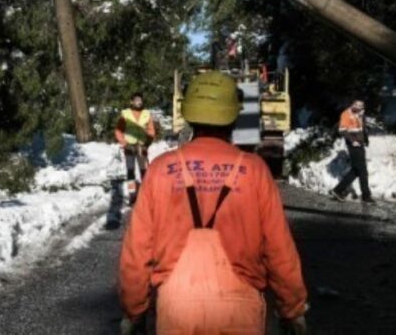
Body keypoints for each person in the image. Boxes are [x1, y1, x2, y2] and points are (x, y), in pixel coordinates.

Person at [118, 71, 308, 334]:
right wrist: (292, 309)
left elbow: (137, 249)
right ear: (233, 115)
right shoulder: (255, 170)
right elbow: (279, 248)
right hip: (240, 309)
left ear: (189, 113)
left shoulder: (161, 169)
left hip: (176, 309)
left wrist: (134, 310)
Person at [115, 92, 156, 199]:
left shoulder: (147, 113)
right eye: (136, 100)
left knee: (144, 171)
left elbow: (151, 131)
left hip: (142, 147)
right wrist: (124, 143)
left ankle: (146, 194)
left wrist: (147, 144)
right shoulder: (125, 113)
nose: (139, 102)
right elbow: (118, 131)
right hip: (129, 146)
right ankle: (132, 194)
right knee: (130, 170)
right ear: (131, 101)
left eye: (140, 100)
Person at [332, 100, 373, 203]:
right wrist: (352, 140)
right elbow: (342, 130)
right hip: (353, 145)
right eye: (357, 105)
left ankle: (338, 190)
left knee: (356, 170)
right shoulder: (346, 114)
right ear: (352, 104)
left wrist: (366, 139)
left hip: (360, 144)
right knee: (362, 171)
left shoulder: (360, 114)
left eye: (361, 105)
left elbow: (361, 128)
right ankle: (366, 196)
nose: (359, 107)